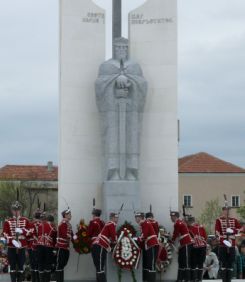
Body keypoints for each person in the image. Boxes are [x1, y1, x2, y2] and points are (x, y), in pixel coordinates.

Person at [95, 37, 147, 181]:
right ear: (113, 49)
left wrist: (130, 83)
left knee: (132, 138)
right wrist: (114, 83)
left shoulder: (134, 67)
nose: (121, 50)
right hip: (112, 111)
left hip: (130, 111)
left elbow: (142, 85)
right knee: (112, 139)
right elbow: (99, 86)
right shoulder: (106, 67)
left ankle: (131, 171)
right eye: (118, 48)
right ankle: (113, 172)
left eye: (124, 48)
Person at [3, 201, 30, 282]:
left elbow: (30, 231)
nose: (16, 211)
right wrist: (12, 240)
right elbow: (5, 233)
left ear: (20, 210)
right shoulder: (8, 221)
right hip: (12, 246)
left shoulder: (26, 220)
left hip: (22, 247)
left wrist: (22, 231)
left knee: (21, 266)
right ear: (12, 211)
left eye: (18, 210)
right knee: (12, 266)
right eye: (15, 210)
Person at [215, 205, 241, 282]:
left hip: (231, 244)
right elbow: (217, 232)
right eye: (225, 210)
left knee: (230, 263)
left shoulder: (234, 220)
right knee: (223, 263)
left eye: (228, 210)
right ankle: (224, 280)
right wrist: (222, 238)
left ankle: (229, 280)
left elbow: (240, 229)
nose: (227, 212)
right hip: (223, 244)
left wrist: (232, 231)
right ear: (223, 211)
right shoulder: (219, 220)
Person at [92, 212, 119, 282]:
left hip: (97, 246)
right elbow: (113, 237)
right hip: (100, 246)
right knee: (100, 267)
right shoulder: (111, 224)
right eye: (116, 218)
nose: (117, 219)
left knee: (98, 267)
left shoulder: (109, 224)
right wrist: (116, 241)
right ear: (112, 218)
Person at [135, 212, 159, 282]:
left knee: (150, 264)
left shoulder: (145, 223)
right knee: (147, 263)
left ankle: (151, 280)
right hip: (149, 245)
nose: (135, 219)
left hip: (152, 245)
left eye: (136, 217)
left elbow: (144, 235)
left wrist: (136, 239)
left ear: (140, 218)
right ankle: (147, 279)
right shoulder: (143, 224)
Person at [170, 211, 193, 282]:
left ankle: (187, 279)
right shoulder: (179, 222)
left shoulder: (177, 223)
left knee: (185, 262)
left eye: (172, 216)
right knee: (181, 261)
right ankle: (180, 278)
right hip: (183, 244)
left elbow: (175, 233)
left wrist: (172, 240)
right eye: (171, 216)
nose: (171, 218)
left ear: (175, 217)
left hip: (186, 243)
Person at [36, 212, 57, 282]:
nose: (42, 220)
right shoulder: (52, 227)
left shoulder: (42, 225)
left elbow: (54, 237)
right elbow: (54, 239)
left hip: (44, 247)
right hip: (45, 247)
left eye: (43, 218)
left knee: (43, 264)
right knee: (45, 265)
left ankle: (44, 280)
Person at [186, 216, 207, 281]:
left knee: (193, 264)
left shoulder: (188, 228)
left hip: (194, 247)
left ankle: (194, 279)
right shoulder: (201, 227)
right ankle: (199, 279)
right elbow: (205, 237)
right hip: (202, 247)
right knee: (200, 264)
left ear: (189, 221)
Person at [27, 208, 42, 282]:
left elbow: (28, 235)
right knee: (38, 264)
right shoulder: (42, 224)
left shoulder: (31, 224)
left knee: (33, 265)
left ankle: (34, 280)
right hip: (39, 246)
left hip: (32, 247)